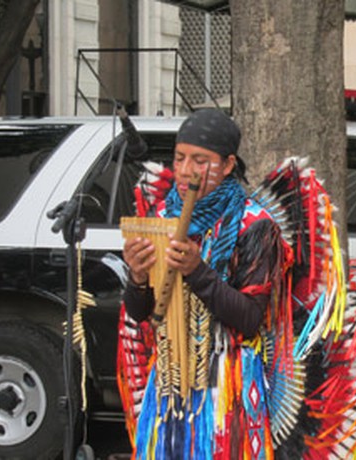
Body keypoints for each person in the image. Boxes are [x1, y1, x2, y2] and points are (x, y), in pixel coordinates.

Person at [121, 108, 286, 459]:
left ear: (227, 165)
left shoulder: (255, 225)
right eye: (180, 158)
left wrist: (198, 271)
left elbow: (250, 318)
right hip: (168, 383)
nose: (184, 170)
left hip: (228, 385)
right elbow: (142, 315)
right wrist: (136, 278)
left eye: (200, 160)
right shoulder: (162, 218)